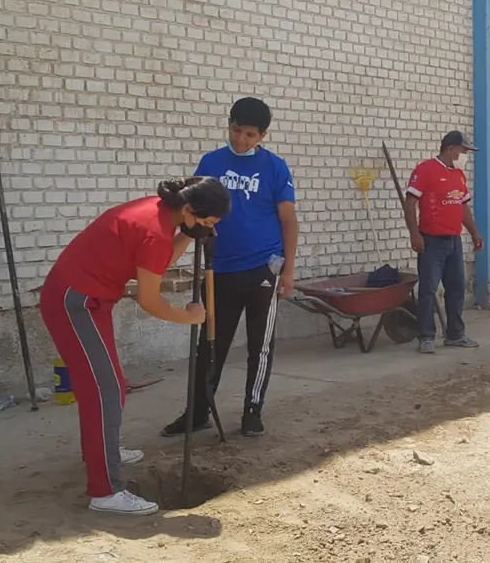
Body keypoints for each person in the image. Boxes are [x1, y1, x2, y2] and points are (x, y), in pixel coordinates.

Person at [39, 177, 231, 515]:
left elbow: (155, 265)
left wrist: (189, 233)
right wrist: (189, 317)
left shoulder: (159, 213)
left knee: (110, 386)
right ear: (188, 209)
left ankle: (105, 449)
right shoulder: (154, 231)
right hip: (75, 301)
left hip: (87, 299)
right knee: (104, 391)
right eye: (207, 222)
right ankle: (105, 491)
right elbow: (149, 300)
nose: (209, 230)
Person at [161, 97, 299, 439]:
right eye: (236, 130)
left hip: (264, 267)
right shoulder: (211, 162)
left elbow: (288, 220)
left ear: (263, 136)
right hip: (218, 268)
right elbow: (192, 211)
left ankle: (253, 409)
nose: (241, 140)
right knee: (210, 343)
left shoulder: (276, 168)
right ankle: (198, 411)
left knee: (259, 345)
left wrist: (289, 271)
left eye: (250, 135)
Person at [404, 130, 483, 354]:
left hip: (453, 241)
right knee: (429, 289)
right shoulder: (425, 170)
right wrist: (414, 234)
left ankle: (456, 334)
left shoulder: (458, 176)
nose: (465, 155)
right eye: (463, 150)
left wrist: (474, 232)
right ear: (450, 149)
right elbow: (410, 203)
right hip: (431, 241)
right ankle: (426, 336)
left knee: (456, 288)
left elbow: (463, 207)